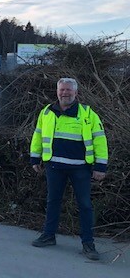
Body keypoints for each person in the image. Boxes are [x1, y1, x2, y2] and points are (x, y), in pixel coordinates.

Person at [30, 77, 108, 260]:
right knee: (53, 202)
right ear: (57, 92)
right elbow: (38, 135)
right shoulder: (47, 112)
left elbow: (100, 140)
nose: (65, 93)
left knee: (85, 205)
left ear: (76, 93)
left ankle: (88, 244)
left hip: (80, 168)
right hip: (54, 166)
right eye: (62, 90)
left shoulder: (88, 114)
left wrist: (100, 166)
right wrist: (35, 157)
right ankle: (48, 236)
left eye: (68, 90)